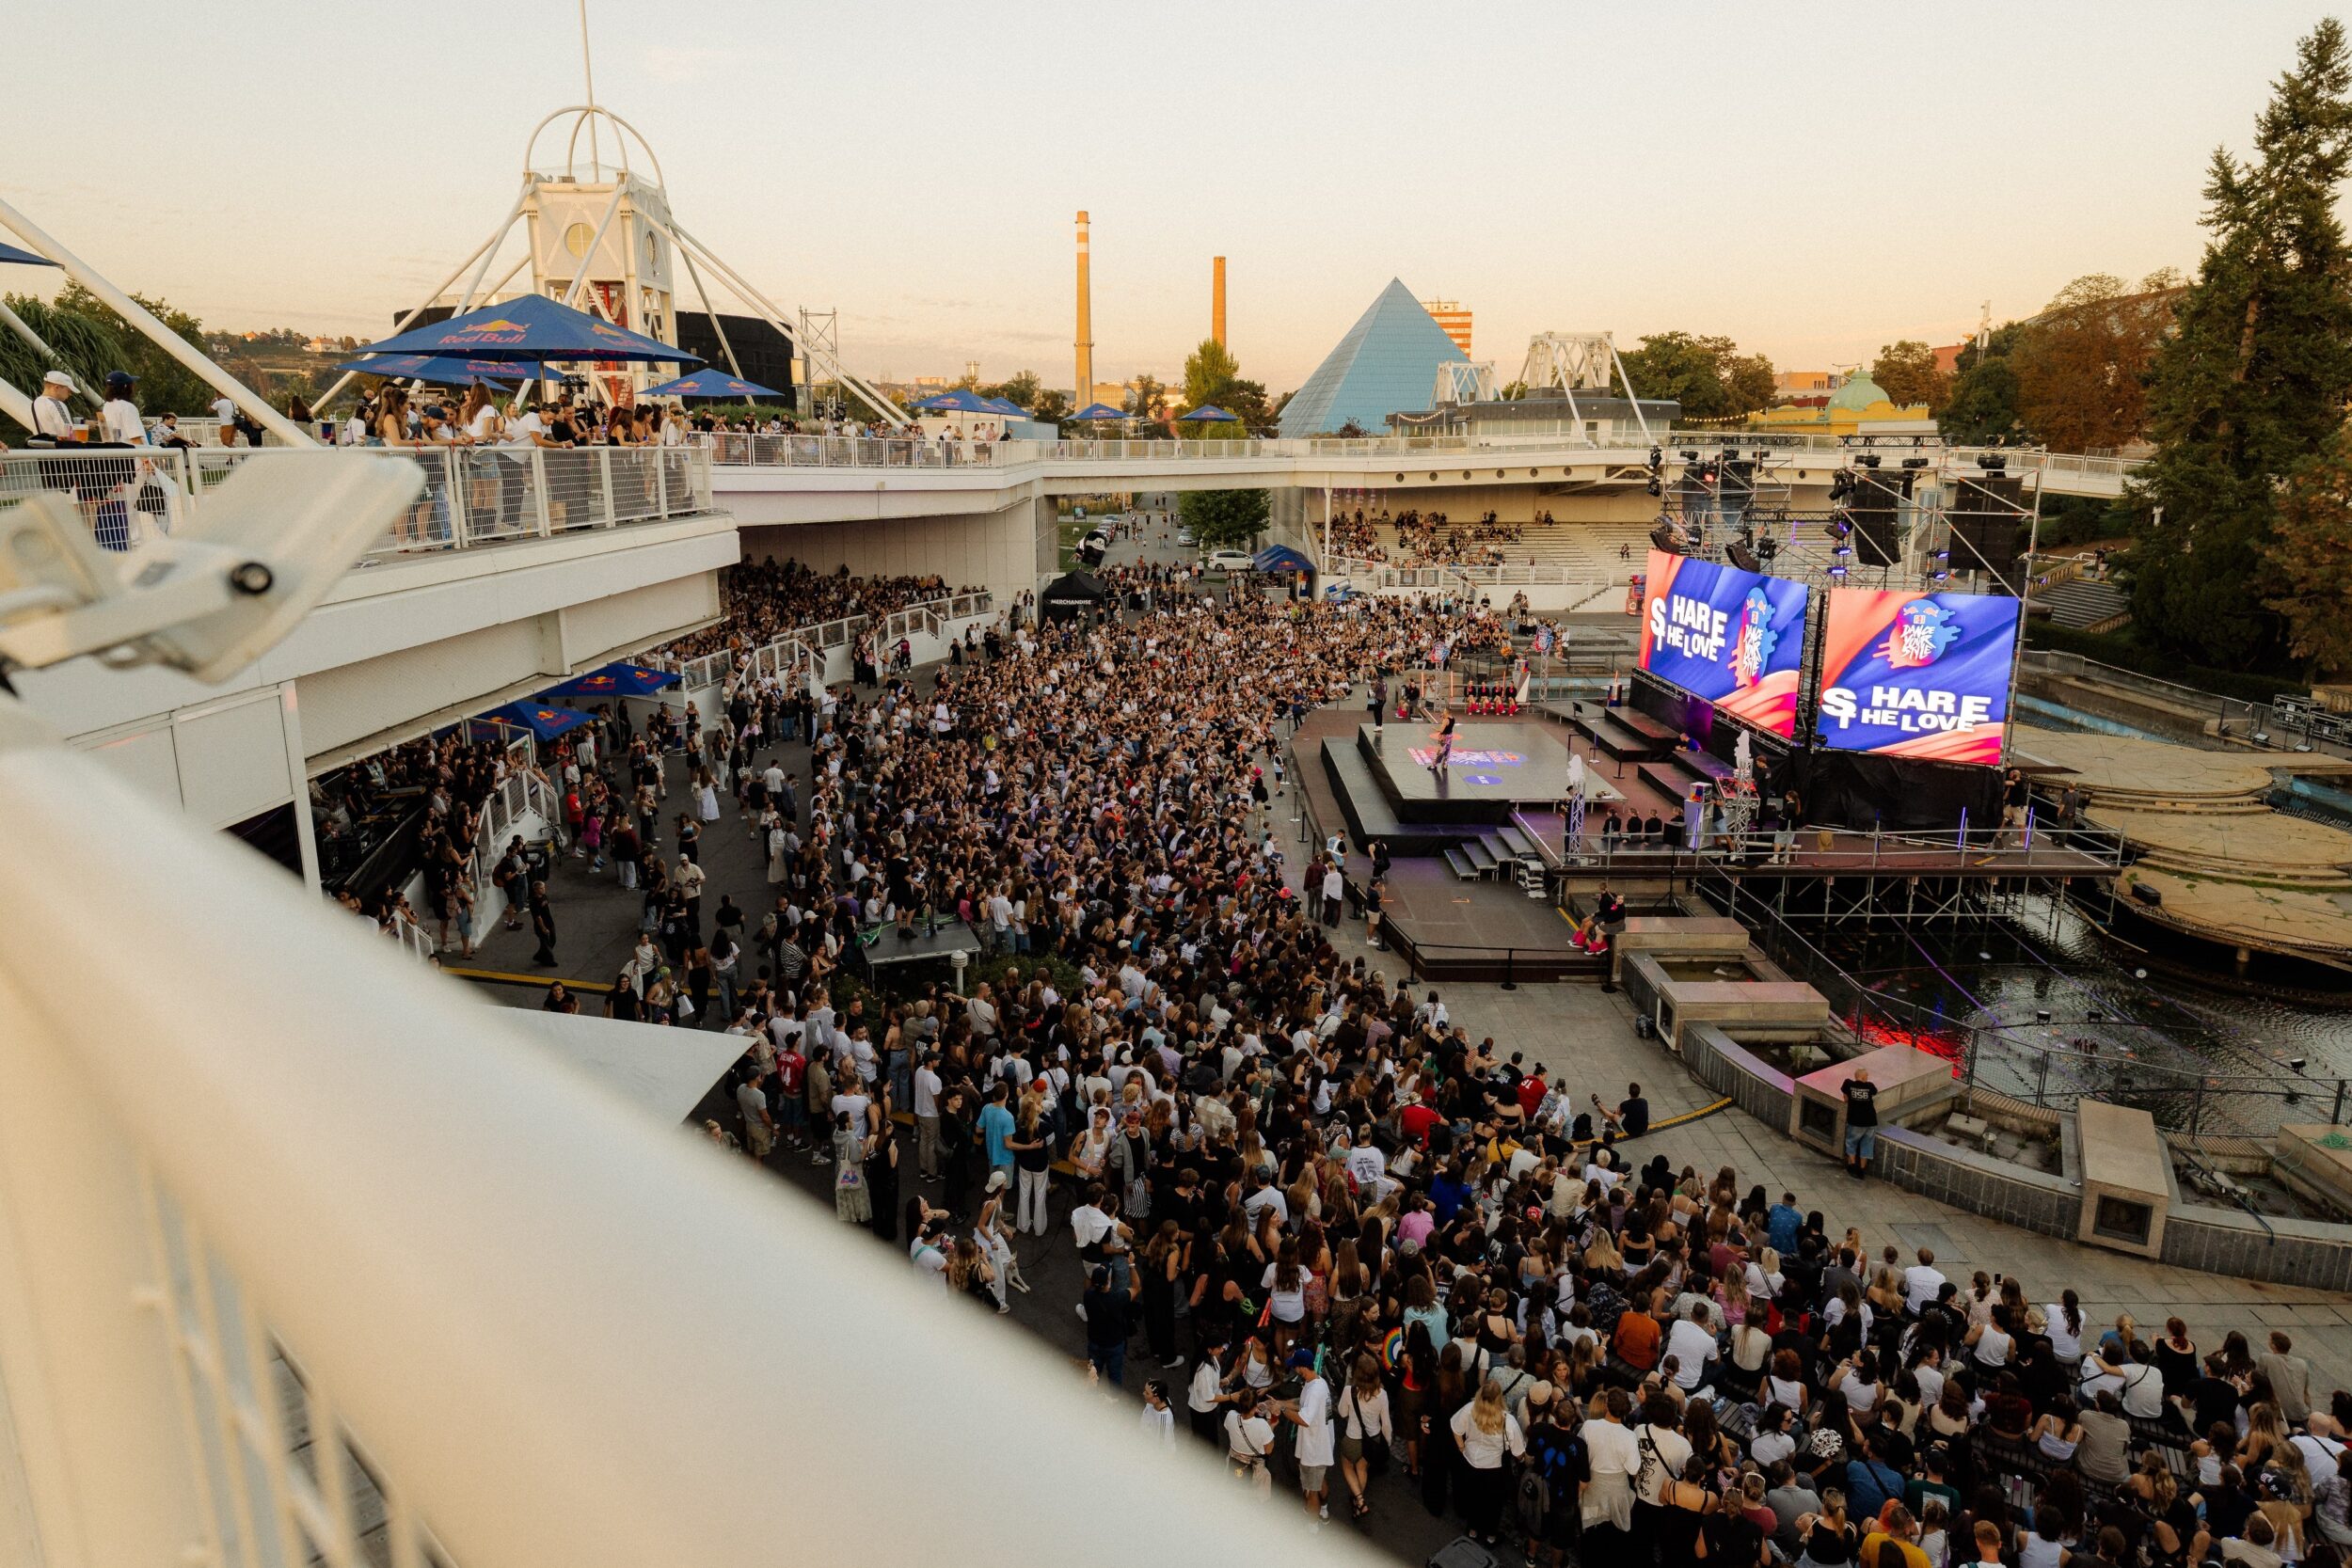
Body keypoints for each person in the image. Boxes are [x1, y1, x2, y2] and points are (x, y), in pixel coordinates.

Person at [1452, 1378, 1527, 1547]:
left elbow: (1456, 1429)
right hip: (1494, 1468)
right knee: (1493, 1504)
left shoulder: (1470, 1409)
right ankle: (1491, 1536)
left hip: (1471, 1462)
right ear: (1499, 1398)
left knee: (1473, 1497)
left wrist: (1462, 1448)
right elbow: (1518, 1452)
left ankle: (1472, 1531)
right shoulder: (1508, 1421)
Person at [1842, 1066, 1879, 1180]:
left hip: (1855, 1121)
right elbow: (1875, 1092)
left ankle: (1853, 1167)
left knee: (1851, 1143)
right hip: (1870, 1121)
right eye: (1866, 1076)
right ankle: (1862, 1170)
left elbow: (1845, 1098)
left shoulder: (1848, 1084)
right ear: (1863, 1077)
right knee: (1867, 1145)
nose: (1867, 1078)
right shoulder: (1870, 1086)